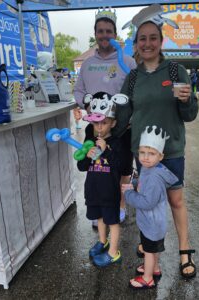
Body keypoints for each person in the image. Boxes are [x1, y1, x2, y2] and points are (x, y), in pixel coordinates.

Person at [114, 17, 198, 279]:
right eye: (142, 39)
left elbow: (190, 114)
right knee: (148, 203)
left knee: (175, 201)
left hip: (170, 150)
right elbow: (123, 113)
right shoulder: (133, 77)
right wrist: (103, 134)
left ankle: (185, 251)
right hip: (144, 154)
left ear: (161, 42)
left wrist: (187, 101)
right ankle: (151, 249)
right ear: (136, 45)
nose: (147, 43)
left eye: (153, 38)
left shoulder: (175, 72)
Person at [73, 7, 136, 226]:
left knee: (123, 168)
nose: (105, 35)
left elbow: (136, 93)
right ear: (95, 33)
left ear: (115, 34)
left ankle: (119, 205)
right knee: (97, 166)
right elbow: (78, 91)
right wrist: (88, 105)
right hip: (96, 127)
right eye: (100, 31)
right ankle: (100, 208)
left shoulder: (127, 62)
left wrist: (128, 116)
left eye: (109, 31)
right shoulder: (88, 64)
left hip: (122, 127)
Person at [122, 126, 178, 289]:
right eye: (142, 152)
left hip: (152, 223)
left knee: (148, 250)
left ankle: (147, 278)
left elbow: (147, 202)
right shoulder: (151, 168)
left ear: (161, 156)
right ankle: (154, 268)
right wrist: (134, 183)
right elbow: (142, 185)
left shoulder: (153, 176)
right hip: (155, 223)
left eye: (151, 153)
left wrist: (129, 194)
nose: (146, 157)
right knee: (153, 249)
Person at [77, 91, 128, 267]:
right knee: (99, 218)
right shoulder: (89, 142)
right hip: (93, 190)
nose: (99, 127)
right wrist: (87, 156)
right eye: (95, 123)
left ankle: (113, 252)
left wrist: (106, 150)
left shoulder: (117, 143)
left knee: (112, 221)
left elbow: (121, 167)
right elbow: (81, 167)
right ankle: (102, 241)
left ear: (113, 123)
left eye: (104, 123)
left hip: (110, 192)